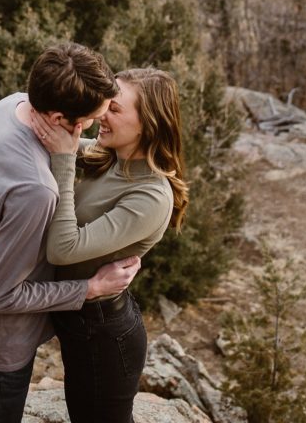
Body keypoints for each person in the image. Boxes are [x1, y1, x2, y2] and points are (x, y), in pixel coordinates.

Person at [0, 42, 142, 423]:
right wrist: (91, 289)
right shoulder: (35, 189)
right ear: (55, 117)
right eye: (87, 121)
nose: (94, 126)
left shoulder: (10, 107)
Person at [29, 67, 189, 423]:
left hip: (103, 337)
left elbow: (63, 250)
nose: (101, 115)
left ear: (148, 124)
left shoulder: (150, 195)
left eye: (115, 109)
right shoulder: (109, 156)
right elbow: (55, 139)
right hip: (79, 324)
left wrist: (65, 159)